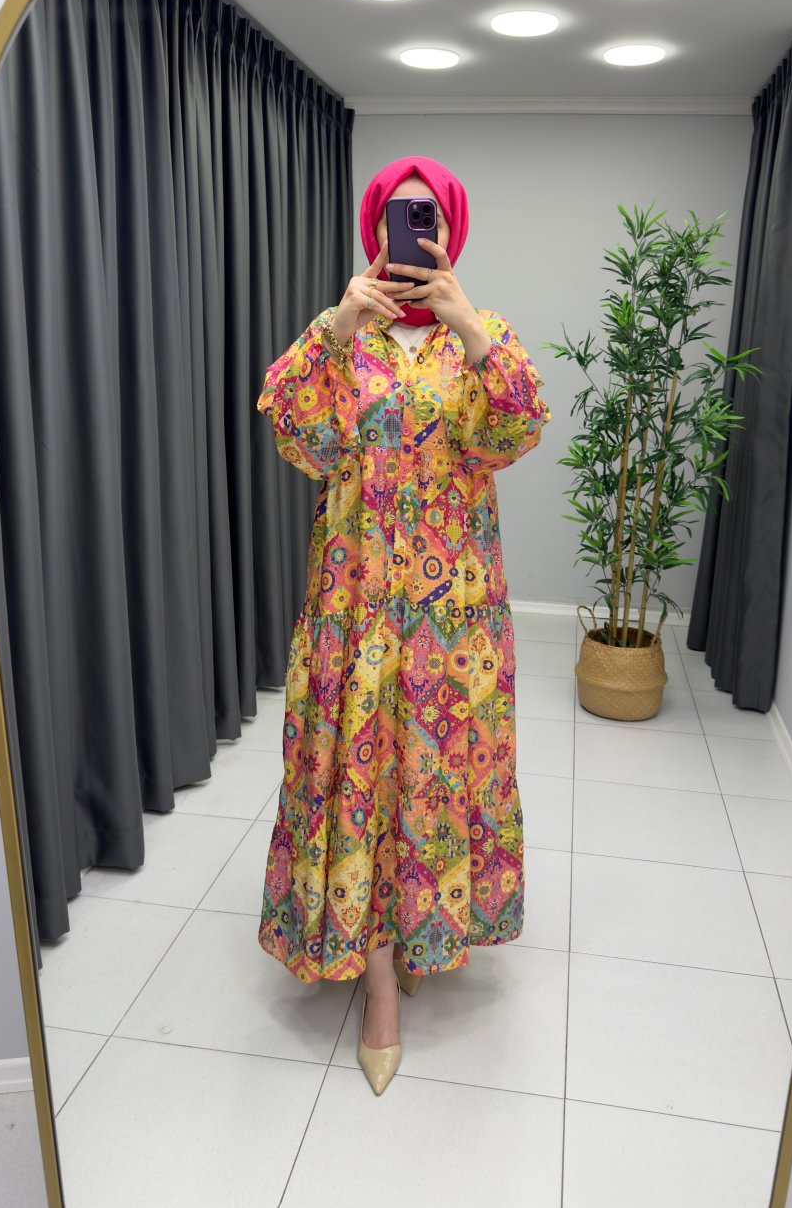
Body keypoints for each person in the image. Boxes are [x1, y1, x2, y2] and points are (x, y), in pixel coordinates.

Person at [256, 153, 552, 1094]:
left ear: (451, 231)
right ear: (376, 227)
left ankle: (422, 933)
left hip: (453, 617)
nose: (415, 232)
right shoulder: (346, 336)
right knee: (362, 776)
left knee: (430, 777)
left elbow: (517, 429)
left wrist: (469, 328)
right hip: (354, 608)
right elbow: (297, 433)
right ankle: (377, 976)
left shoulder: (481, 334)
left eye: (430, 217)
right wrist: (339, 324)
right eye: (399, 214)